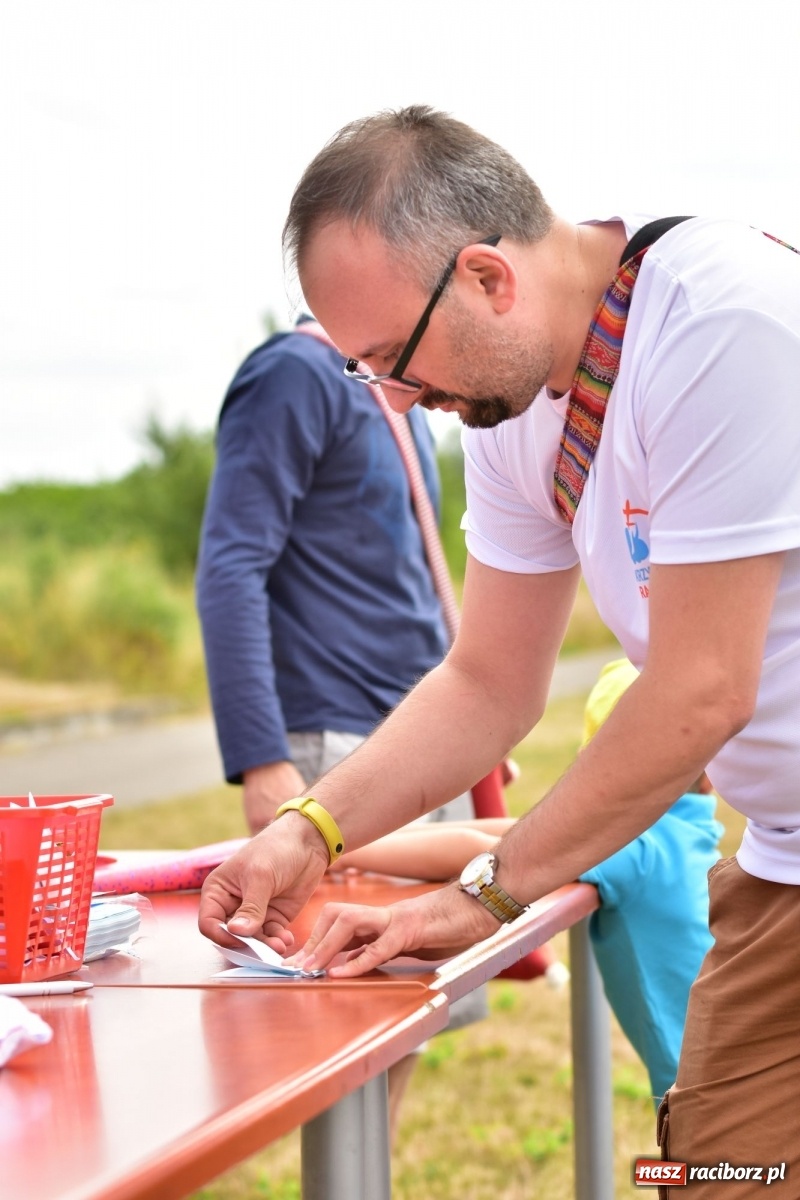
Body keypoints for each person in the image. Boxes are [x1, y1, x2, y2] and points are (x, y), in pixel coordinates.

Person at [198, 106, 800, 1192]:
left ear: (486, 277)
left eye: (391, 360)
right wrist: (311, 824)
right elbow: (485, 681)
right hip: (781, 858)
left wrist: (488, 889)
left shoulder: (722, 322)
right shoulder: (517, 402)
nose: (399, 402)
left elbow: (702, 691)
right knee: (720, 1166)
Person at [195, 315, 485, 1140]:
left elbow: (407, 569)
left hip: (418, 734)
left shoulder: (404, 396)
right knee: (347, 1015)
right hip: (337, 737)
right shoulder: (295, 375)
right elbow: (232, 562)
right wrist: (261, 758)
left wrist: (474, 742)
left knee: (410, 1010)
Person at [328, 657, 722, 1108]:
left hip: (706, 1091)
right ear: (710, 774)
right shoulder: (683, 829)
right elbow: (508, 834)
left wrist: (344, 852)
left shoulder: (637, 845)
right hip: (727, 1067)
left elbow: (481, 850)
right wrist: (344, 842)